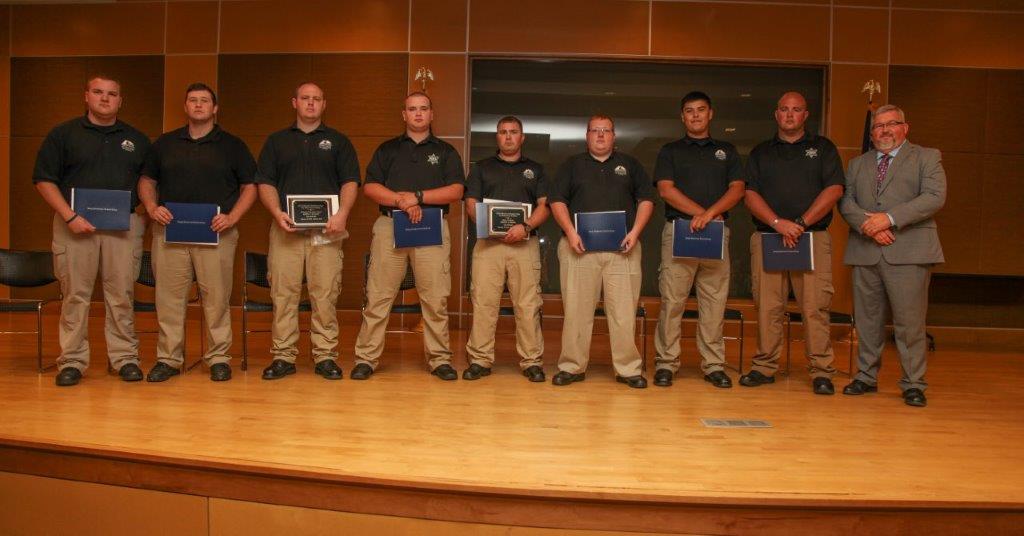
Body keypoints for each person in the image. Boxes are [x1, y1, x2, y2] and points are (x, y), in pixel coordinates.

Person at [33, 76, 151, 386]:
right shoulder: (63, 134)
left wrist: (142, 214)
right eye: (98, 92)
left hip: (122, 229)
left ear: (120, 101)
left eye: (112, 94)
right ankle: (72, 360)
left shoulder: (137, 139)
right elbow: (44, 180)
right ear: (86, 96)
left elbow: (148, 183)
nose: (105, 98)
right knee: (75, 296)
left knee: (121, 296)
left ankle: (125, 357)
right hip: (74, 226)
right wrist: (69, 216)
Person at [139, 82, 257, 382]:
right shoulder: (164, 144)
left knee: (216, 299)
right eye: (193, 100)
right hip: (170, 234)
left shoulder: (233, 145)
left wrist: (232, 217)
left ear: (215, 108)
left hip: (217, 234)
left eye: (205, 101)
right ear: (186, 106)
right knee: (168, 299)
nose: (199, 105)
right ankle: (168, 359)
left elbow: (250, 187)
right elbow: (146, 181)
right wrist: (152, 208)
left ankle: (218, 357)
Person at [352, 91, 465, 380]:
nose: (417, 114)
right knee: (378, 296)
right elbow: (370, 187)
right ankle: (366, 359)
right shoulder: (387, 150)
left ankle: (439, 359)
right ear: (404, 115)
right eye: (412, 109)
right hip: (390, 225)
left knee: (435, 298)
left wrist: (416, 196)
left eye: (423, 108)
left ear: (431, 114)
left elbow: (456, 190)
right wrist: (402, 202)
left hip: (430, 226)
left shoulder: (445, 152)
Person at [839, 104, 945, 407]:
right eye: (878, 126)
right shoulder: (857, 164)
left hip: (909, 251)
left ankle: (913, 383)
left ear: (905, 128)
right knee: (867, 321)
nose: (884, 131)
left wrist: (889, 218)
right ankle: (865, 377)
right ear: (871, 133)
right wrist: (868, 226)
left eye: (891, 124)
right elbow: (846, 202)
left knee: (909, 323)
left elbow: (934, 197)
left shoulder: (926, 157)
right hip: (866, 250)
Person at [740, 91, 845, 395]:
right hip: (769, 236)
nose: (789, 115)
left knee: (814, 307)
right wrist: (778, 223)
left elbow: (834, 190)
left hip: (810, 237)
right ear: (776, 114)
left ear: (805, 114)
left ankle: (822, 370)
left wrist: (799, 224)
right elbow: (750, 194)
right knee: (767, 306)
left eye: (796, 110)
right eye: (784, 109)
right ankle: (764, 366)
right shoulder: (761, 152)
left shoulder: (823, 149)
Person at [255, 82, 360, 381]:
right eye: (305, 98)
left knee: (325, 294)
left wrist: (342, 214)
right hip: (285, 230)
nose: (311, 104)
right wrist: (276, 213)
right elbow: (265, 182)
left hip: (327, 232)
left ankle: (325, 356)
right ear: (294, 103)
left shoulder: (339, 142)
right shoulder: (276, 142)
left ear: (324, 104)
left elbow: (350, 182)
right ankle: (283, 356)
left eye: (316, 99)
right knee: (283, 293)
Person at [548, 114, 656, 389]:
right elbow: (557, 201)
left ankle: (628, 369)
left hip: (623, 250)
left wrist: (635, 232)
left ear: (614, 136)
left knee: (623, 312)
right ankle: (572, 366)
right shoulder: (571, 166)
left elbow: (646, 201)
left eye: (605, 131)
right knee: (576, 311)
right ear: (586, 136)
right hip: (578, 249)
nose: (600, 135)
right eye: (594, 131)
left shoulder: (630, 165)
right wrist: (571, 233)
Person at [652, 91, 745, 388]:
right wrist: (702, 214)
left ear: (710, 113)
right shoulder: (670, 150)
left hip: (716, 233)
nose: (695, 115)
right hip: (680, 230)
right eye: (689, 111)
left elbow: (738, 189)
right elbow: (665, 190)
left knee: (714, 302)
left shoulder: (727, 150)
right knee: (673, 302)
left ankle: (714, 364)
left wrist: (711, 214)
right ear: (682, 117)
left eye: (701, 110)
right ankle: (666, 363)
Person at [463, 116, 549, 382]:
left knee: (527, 304)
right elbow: (470, 203)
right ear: (497, 137)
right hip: (489, 245)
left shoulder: (536, 169)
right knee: (484, 303)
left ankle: (531, 361)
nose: (509, 136)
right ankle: (480, 359)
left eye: (514, 132)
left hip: (525, 243)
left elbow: (544, 206)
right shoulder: (481, 168)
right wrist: (492, 228)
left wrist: (525, 226)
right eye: (503, 132)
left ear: (522, 138)